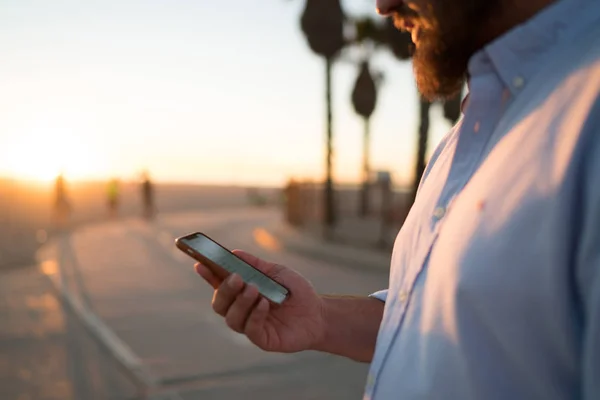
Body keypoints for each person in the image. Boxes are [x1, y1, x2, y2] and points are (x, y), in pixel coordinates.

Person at [194, 0, 600, 398]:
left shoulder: (585, 114)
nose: (383, 6)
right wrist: (321, 318)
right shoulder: (469, 130)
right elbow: (447, 323)